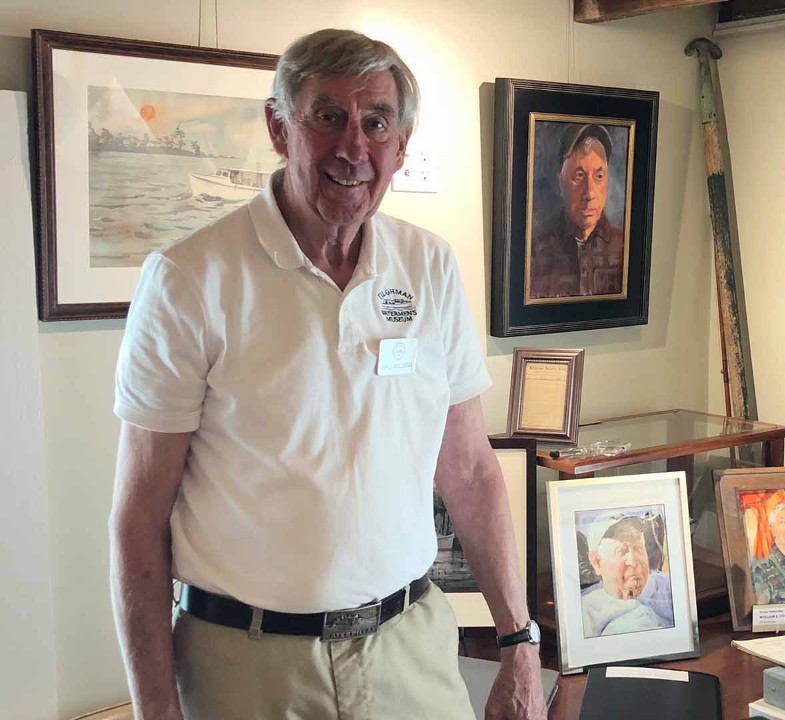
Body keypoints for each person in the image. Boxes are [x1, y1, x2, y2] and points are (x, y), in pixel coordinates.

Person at [109, 29, 545, 720]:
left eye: (376, 123)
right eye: (327, 116)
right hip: (246, 667)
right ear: (280, 128)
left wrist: (518, 640)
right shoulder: (191, 279)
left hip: (410, 653)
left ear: (401, 146)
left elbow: (468, 469)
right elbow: (138, 520)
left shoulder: (429, 267)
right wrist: (154, 712)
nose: (353, 147)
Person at [528, 124, 626, 300]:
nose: (589, 193)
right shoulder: (536, 253)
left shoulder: (623, 249)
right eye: (579, 176)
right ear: (560, 182)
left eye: (599, 176)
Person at [579, 515, 675, 637]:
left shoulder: (665, 585)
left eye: (638, 548)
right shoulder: (585, 613)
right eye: (620, 551)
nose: (633, 561)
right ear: (597, 563)